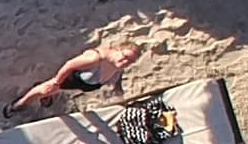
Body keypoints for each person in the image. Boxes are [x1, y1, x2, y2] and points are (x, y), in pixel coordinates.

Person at [8, 36, 146, 113]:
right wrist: (56, 81)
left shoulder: (118, 63)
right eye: (125, 56)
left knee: (53, 91)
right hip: (74, 78)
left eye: (130, 61)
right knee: (46, 88)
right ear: (117, 49)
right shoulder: (95, 59)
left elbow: (119, 70)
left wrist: (118, 84)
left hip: (87, 83)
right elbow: (69, 65)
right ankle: (19, 104)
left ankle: (47, 95)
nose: (125, 62)